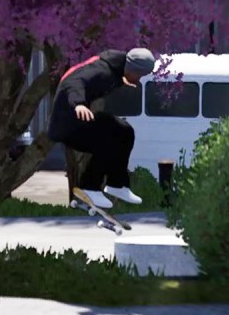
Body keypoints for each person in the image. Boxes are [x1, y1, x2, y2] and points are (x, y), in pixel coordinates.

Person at [47, 47, 156, 209]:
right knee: (106, 139)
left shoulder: (115, 67)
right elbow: (74, 81)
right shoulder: (102, 71)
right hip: (67, 124)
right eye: (139, 75)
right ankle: (89, 187)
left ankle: (117, 184)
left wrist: (121, 81)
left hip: (80, 119)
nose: (139, 79)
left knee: (124, 131)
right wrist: (78, 103)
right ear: (132, 69)